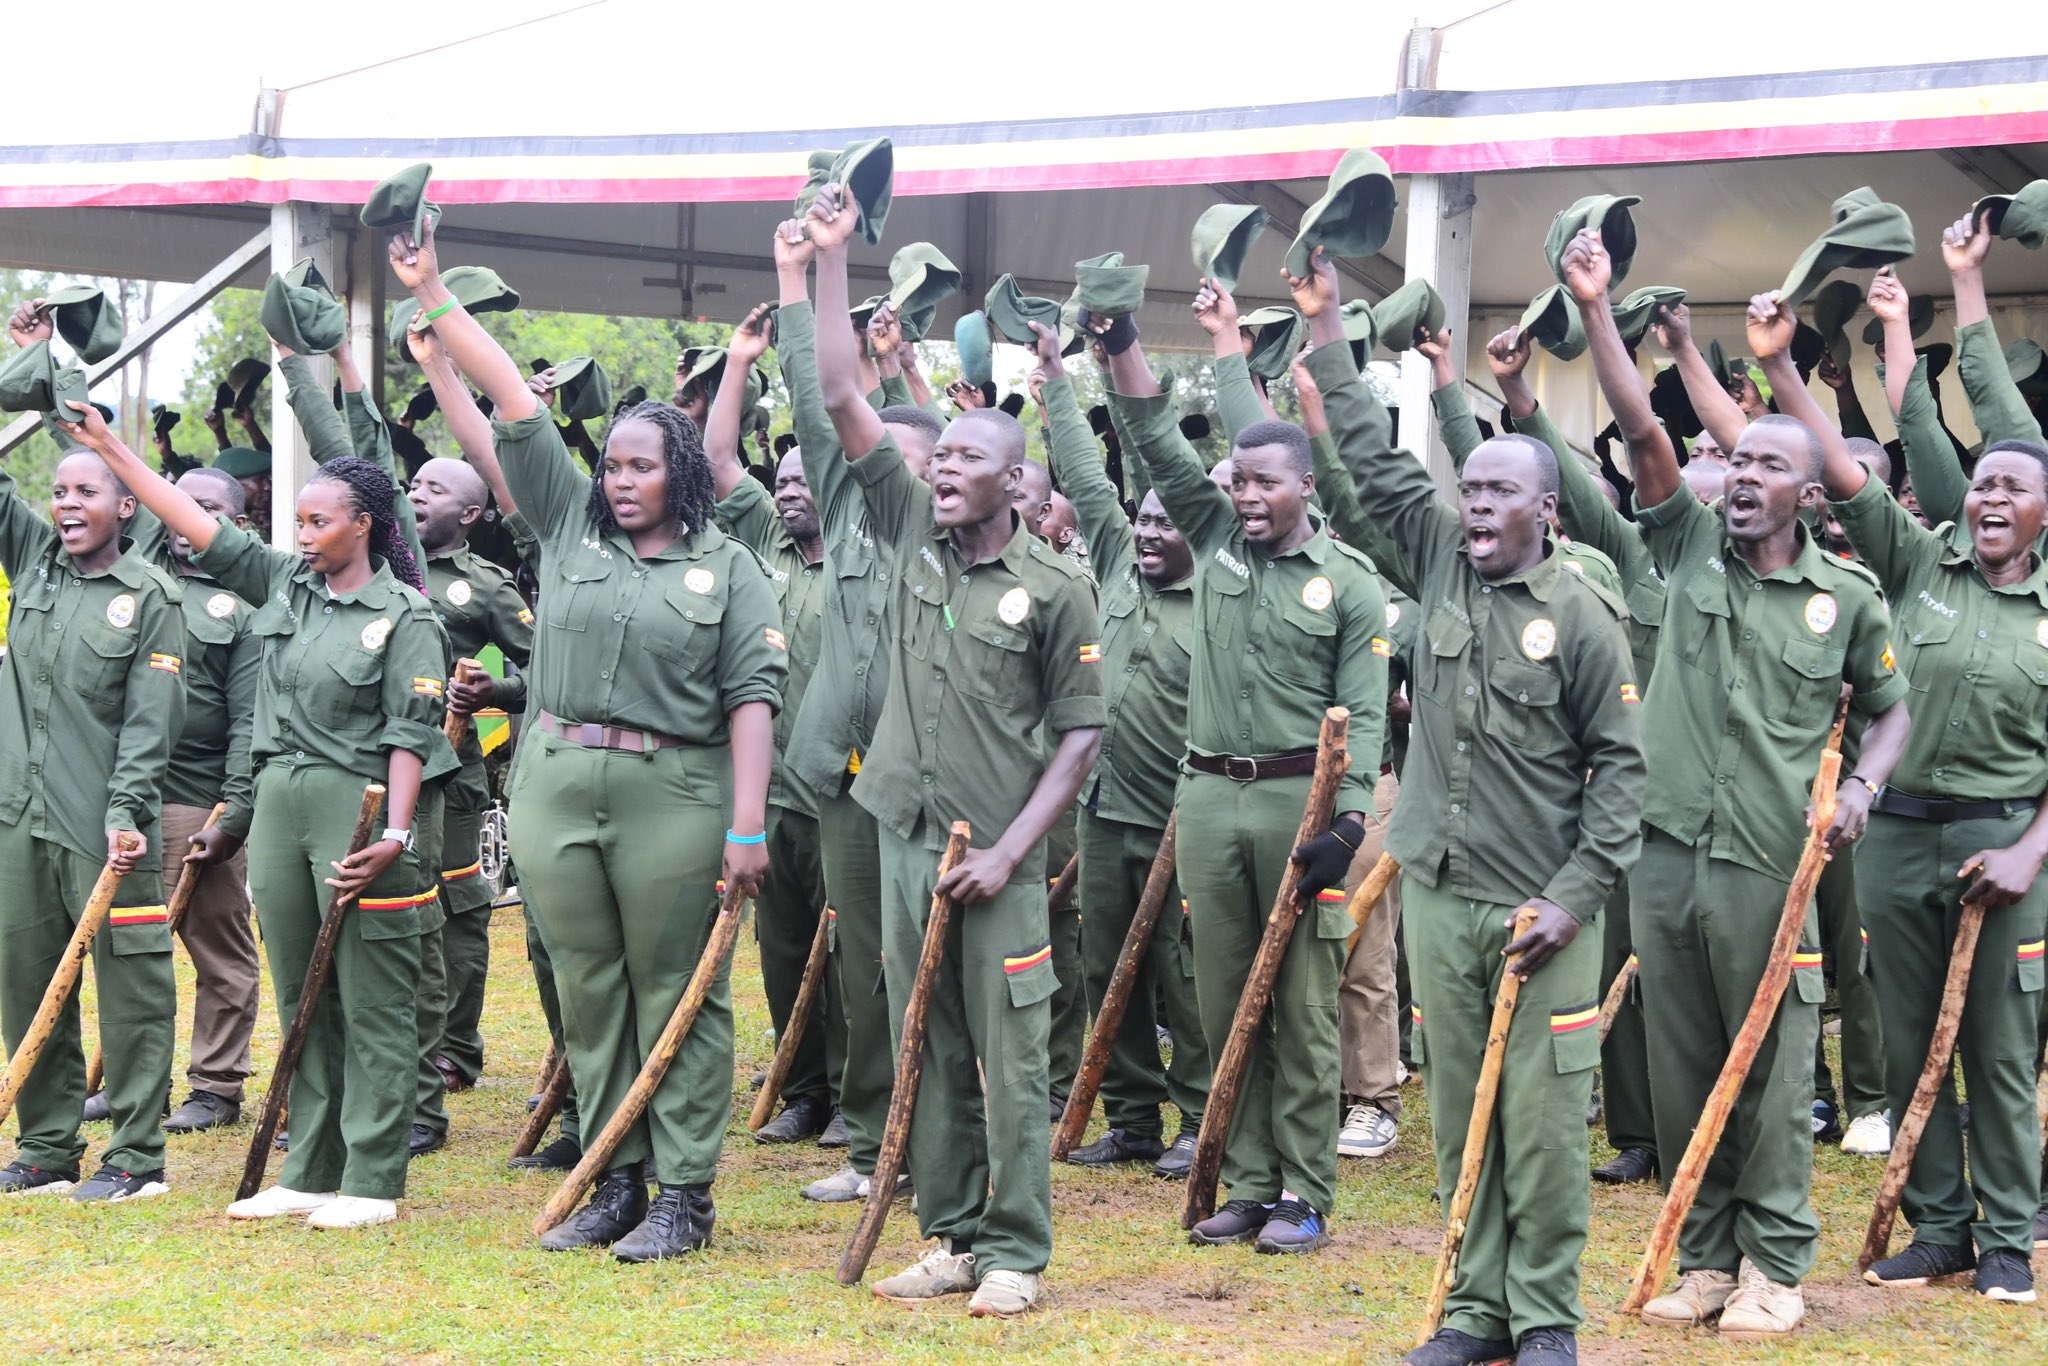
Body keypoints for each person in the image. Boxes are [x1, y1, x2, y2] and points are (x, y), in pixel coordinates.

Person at [392, 221, 784, 1261]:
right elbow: (511, 408)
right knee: (587, 986)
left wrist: (747, 829)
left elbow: (753, 697)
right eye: (609, 462)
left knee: (677, 991)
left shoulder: (730, 566)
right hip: (558, 778)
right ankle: (613, 1173)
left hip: (679, 793)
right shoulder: (566, 527)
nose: (617, 478)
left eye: (640, 466)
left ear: (682, 474)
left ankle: (683, 1192)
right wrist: (431, 292)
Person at [1290, 257, 1641, 1366]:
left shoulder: (1582, 616)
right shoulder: (1435, 558)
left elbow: (1620, 775)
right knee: (1461, 1115)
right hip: (1442, 900)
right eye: (1470, 490)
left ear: (1545, 510)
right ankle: (1471, 1309)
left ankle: (1543, 1316)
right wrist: (1327, 331)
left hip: (1542, 910)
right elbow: (1367, 454)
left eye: (1499, 494)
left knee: (1538, 1123)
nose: (1477, 507)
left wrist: (1574, 901)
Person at [1563, 227, 1912, 1338]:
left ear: (1809, 496)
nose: (1740, 480)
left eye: (1766, 466)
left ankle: (1774, 1266)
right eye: (1735, 466)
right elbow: (1643, 435)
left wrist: (1859, 788)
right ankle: (1707, 1255)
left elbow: (1892, 708)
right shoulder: (1682, 552)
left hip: (1771, 861)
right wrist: (1596, 310)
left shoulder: (1846, 600)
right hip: (1664, 854)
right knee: (1680, 1062)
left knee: (1768, 1065)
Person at [809, 185, 1104, 1318]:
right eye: (936, 458)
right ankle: (951, 1233)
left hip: (1001, 850)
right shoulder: (902, 533)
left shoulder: (1054, 585)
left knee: (1011, 1051)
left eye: (966, 460)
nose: (940, 470)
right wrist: (837, 259)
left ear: (1010, 480)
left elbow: (1079, 738)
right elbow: (842, 391)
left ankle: (1017, 1246)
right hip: (900, 830)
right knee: (919, 1035)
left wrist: (1012, 854)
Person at [74, 393, 451, 1229]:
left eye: (320, 521)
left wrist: (394, 832)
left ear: (365, 525)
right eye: (301, 520)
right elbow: (192, 519)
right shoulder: (284, 586)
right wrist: (111, 447)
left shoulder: (405, 616)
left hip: (359, 809)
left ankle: (374, 1176)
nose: (305, 533)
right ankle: (312, 1163)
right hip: (278, 804)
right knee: (301, 992)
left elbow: (410, 736)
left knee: (373, 992)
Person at [1760, 291, 2048, 1302]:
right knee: (1908, 1029)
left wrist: (2026, 852)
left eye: (2013, 485)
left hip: (2005, 843)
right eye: (1982, 485)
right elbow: (1843, 468)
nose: (1991, 499)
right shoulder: (1921, 563)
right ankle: (1941, 1227)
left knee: (1998, 1049)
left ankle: (2009, 1234)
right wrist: (1785, 367)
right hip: (1897, 839)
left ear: (2043, 509)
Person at [1101, 265, 1387, 1258]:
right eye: (1240, 482)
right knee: (1226, 999)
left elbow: (1364, 715)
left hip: (1297, 812)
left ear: (1306, 487)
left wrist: (1346, 823)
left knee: (1301, 1005)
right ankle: (1250, 1178)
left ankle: (1306, 1190)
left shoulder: (1346, 584)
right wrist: (1131, 335)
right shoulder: (1214, 540)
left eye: (1270, 482)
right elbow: (1149, 432)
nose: (1251, 497)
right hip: (1208, 797)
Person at [771, 225, 936, 1204]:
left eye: (917, 461)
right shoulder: (843, 510)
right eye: (882, 454)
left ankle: (943, 1137)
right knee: (863, 960)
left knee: (927, 962)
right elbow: (813, 387)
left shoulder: (953, 541)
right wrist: (799, 277)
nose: (892, 472)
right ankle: (875, 1139)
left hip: (930, 780)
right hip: (841, 773)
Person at [1480, 325, 1665, 1187]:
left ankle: (1688, 1122)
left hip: (1683, 808)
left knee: (1673, 977)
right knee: (1615, 963)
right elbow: (1568, 482)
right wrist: (1518, 398)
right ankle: (1633, 1128)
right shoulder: (1627, 562)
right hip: (1606, 809)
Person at [1031, 319, 1210, 1178]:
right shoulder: (1111, 562)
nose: (1145, 532)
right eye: (1142, 520)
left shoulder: (1219, 587)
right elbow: (1085, 478)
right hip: (1103, 812)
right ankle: (1132, 1116)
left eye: (1164, 523)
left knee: (1183, 973)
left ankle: (1199, 1116)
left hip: (1179, 817)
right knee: (1109, 966)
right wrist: (1058, 384)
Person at [0, 406, 183, 1201]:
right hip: (18, 818)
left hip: (105, 827)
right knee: (27, 980)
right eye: (59, 491)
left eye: (87, 492)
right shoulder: (35, 562)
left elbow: (151, 725)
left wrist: (125, 812)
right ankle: (46, 1145)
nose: (68, 505)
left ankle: (137, 1156)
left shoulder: (151, 597)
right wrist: (31, 371)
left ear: (127, 507)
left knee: (131, 987)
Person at [703, 304, 837, 1147]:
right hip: (773, 790)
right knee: (783, 950)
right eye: (780, 479)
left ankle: (862, 1094)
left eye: (803, 478)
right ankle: (804, 1087)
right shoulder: (764, 548)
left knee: (856, 955)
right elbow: (718, 458)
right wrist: (738, 365)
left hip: (847, 788)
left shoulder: (866, 548)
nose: (788, 489)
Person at [119, 465, 263, 1136]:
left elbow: (248, 723)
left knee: (217, 948)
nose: (185, 517)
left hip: (193, 802)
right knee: (129, 949)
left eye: (204, 508)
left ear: (235, 524)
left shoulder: (248, 608)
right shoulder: (135, 583)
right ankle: (128, 1084)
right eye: (177, 503)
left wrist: (232, 814)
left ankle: (215, 1087)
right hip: (124, 799)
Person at [406, 451, 534, 1113]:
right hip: (380, 766)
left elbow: (541, 667)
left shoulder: (484, 585)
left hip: (454, 774)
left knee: (458, 911)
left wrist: (496, 689)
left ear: (470, 513)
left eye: (435, 488)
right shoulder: (376, 564)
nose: (417, 493)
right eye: (415, 483)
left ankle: (455, 1045)